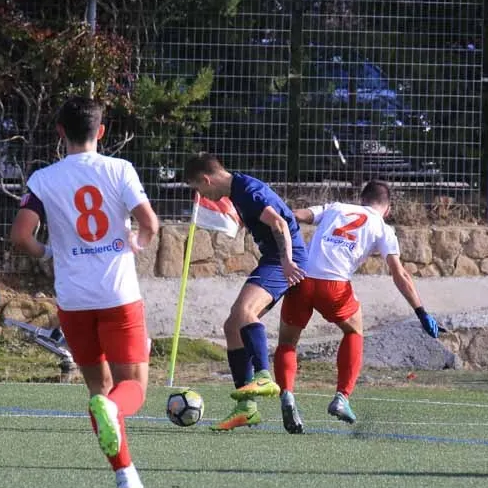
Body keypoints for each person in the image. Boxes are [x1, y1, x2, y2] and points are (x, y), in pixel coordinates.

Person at [10, 97, 159, 488]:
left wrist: (47, 253)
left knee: (98, 390)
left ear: (60, 132)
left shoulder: (43, 178)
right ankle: (114, 414)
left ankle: (125, 474)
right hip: (118, 295)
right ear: (101, 131)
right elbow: (149, 223)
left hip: (74, 301)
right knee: (133, 388)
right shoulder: (119, 169)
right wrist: (138, 241)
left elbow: (21, 236)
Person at [274, 180, 440, 434]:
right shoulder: (382, 227)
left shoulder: (336, 207)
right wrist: (421, 311)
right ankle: (342, 397)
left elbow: (296, 215)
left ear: (362, 199)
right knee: (353, 331)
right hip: (335, 286)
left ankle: (287, 394)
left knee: (287, 342)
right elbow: (400, 274)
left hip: (302, 278)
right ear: (388, 208)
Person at [184, 153, 307, 430]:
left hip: (284, 260)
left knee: (245, 312)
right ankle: (246, 409)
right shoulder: (238, 190)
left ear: (206, 180)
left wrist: (287, 261)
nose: (200, 195)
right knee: (232, 327)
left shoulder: (248, 191)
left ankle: (263, 376)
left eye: (198, 188)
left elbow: (279, 223)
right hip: (274, 259)